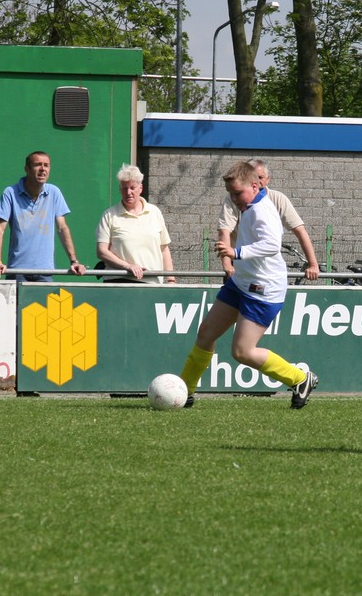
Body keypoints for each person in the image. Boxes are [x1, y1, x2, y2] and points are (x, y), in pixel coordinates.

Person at [179, 161, 319, 409]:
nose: (234, 199)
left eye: (238, 193)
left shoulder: (262, 210)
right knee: (206, 333)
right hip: (241, 283)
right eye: (231, 194)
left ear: (255, 186)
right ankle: (183, 392)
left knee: (242, 352)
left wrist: (235, 252)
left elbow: (272, 245)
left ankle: (300, 378)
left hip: (263, 289)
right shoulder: (249, 205)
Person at [0, 151, 86, 281]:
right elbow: (0, 229)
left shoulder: (54, 192)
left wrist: (74, 261)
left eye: (46, 165)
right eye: (37, 165)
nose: (42, 169)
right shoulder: (10, 193)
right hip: (17, 271)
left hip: (45, 271)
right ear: (27, 169)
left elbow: (62, 228)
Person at [218, 159, 320, 282]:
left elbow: (298, 231)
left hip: (263, 270)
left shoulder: (273, 201)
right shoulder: (235, 198)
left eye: (260, 177)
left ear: (268, 179)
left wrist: (313, 264)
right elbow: (224, 231)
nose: (257, 180)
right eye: (253, 176)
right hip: (239, 264)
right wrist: (227, 264)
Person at [95, 164, 176, 284]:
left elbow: (164, 249)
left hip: (152, 282)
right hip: (119, 281)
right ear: (120, 189)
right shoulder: (109, 215)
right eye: (124, 188)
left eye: (132, 188)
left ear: (140, 188)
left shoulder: (154, 212)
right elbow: (102, 251)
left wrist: (171, 280)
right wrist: (127, 266)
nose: (128, 192)